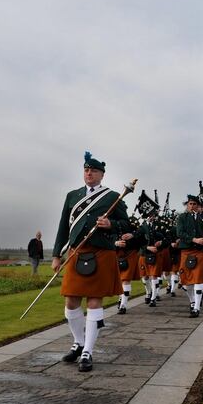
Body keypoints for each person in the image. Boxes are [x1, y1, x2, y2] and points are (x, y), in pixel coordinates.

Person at [52, 152, 129, 372]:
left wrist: (110, 225)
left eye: (94, 171)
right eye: (86, 170)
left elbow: (126, 224)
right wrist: (57, 255)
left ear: (101, 174)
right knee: (71, 302)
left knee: (95, 302)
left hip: (101, 252)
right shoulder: (72, 196)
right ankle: (78, 342)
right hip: (77, 252)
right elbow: (63, 228)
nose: (89, 174)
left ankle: (88, 352)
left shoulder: (112, 196)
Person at [176, 195, 203, 318]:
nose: (192, 206)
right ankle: (192, 301)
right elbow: (180, 233)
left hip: (199, 252)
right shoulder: (182, 217)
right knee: (185, 282)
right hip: (186, 251)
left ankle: (196, 308)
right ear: (187, 205)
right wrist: (194, 239)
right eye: (190, 204)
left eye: (194, 204)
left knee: (198, 280)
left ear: (198, 206)